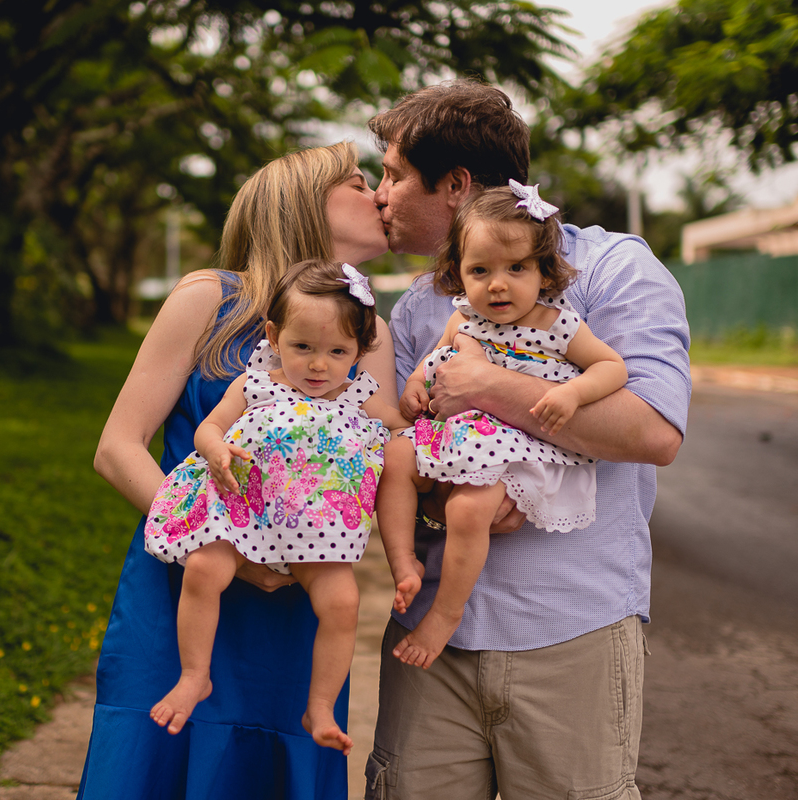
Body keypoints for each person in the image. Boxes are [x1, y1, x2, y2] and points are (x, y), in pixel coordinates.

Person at [365, 80, 691, 800]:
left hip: (572, 635)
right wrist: (448, 498)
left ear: (455, 185)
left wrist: (488, 386)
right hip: (432, 647)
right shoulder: (421, 305)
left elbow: (654, 430)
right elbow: (402, 450)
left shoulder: (613, 270)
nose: (379, 195)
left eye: (392, 175)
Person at [79, 141, 397, 800]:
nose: (381, 196)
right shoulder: (209, 297)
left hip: (294, 600)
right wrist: (218, 538)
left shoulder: (370, 334)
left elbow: (378, 453)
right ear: (305, 200)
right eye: (360, 183)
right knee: (153, 762)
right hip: (188, 580)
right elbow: (118, 447)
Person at [144, 259, 410, 754]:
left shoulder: (360, 394)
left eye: (337, 351)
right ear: (274, 335)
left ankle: (320, 706)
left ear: (359, 350)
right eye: (303, 347)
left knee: (342, 603)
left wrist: (415, 422)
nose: (318, 365)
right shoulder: (256, 383)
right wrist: (215, 448)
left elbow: (400, 429)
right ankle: (194, 674)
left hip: (318, 529)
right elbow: (209, 426)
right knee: (203, 567)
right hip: (245, 511)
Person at [380, 182, 628, 670]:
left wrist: (573, 393)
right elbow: (431, 361)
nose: (498, 284)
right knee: (396, 456)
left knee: (469, 508)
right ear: (458, 273)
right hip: (462, 434)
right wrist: (414, 384)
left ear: (544, 271)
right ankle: (403, 559)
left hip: (518, 442)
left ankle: (445, 613)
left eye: (516, 268)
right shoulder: (462, 319)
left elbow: (611, 367)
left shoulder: (557, 325)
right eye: (480, 271)